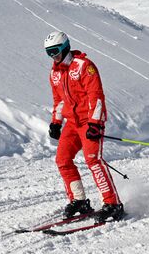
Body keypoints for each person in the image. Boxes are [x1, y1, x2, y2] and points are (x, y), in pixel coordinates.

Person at [44, 31, 124, 223]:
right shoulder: (55, 73)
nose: (53, 56)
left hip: (89, 122)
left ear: (65, 47)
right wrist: (56, 122)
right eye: (48, 52)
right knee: (62, 160)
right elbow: (59, 101)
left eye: (55, 51)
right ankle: (79, 200)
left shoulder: (84, 66)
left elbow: (96, 96)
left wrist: (95, 123)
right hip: (72, 123)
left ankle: (112, 203)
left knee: (93, 161)